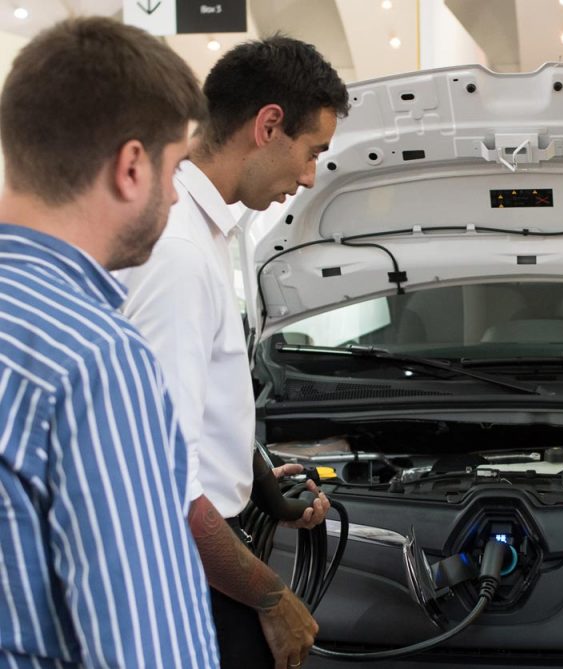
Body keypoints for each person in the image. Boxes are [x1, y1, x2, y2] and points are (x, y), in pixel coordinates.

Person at [119, 36, 350, 669]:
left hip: (208, 554)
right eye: (312, 152)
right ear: (268, 125)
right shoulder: (179, 254)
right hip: (190, 580)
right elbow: (163, 483)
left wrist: (257, 480)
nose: (309, 177)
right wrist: (272, 598)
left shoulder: (206, 231)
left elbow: (189, 409)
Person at [0, 17, 218, 667]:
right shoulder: (94, 358)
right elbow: (149, 648)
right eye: (175, 169)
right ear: (130, 166)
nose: (174, 195)